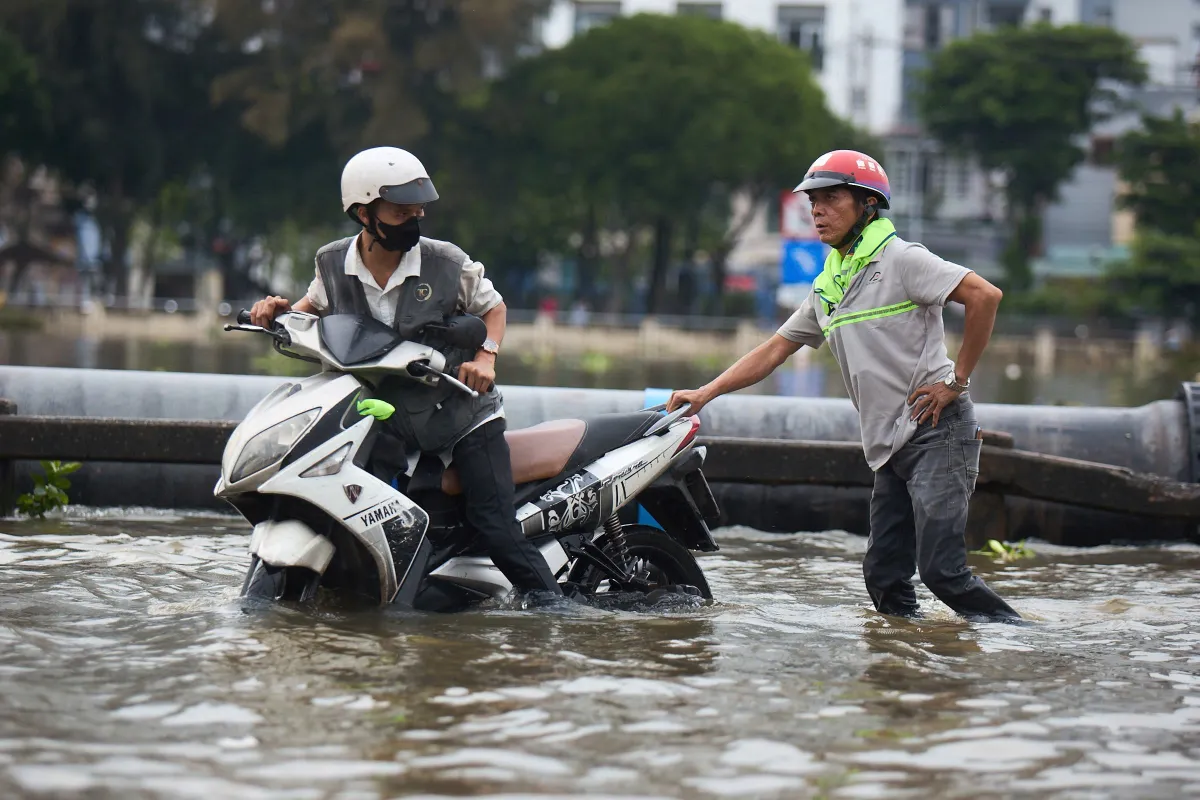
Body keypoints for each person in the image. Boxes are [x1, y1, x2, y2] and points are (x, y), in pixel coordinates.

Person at [667, 149, 1020, 622]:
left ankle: (1016, 639)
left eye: (831, 199)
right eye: (813, 201)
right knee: (883, 578)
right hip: (889, 445)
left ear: (867, 204)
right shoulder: (828, 288)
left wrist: (957, 381)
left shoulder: (902, 260)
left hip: (938, 431)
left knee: (942, 572)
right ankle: (909, 668)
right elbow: (773, 351)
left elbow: (984, 296)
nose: (817, 211)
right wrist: (704, 393)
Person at [249, 146, 563, 599]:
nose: (413, 220)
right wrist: (273, 313)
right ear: (362, 212)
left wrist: (486, 358)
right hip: (386, 417)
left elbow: (493, 309)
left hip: (463, 413)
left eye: (417, 210)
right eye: (400, 211)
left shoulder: (447, 262)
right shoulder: (332, 264)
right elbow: (305, 315)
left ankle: (555, 612)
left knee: (495, 526)